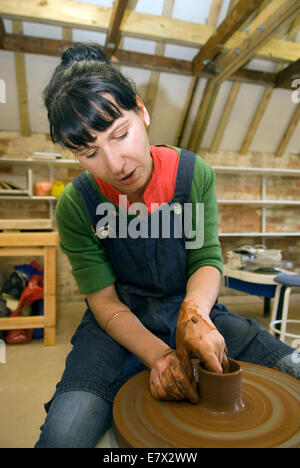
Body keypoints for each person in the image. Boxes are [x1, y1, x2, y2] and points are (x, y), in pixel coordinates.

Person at [35, 43, 299, 448]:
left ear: (141, 111)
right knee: (63, 436)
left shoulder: (193, 176)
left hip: (190, 304)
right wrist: (159, 355)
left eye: (120, 134)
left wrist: (195, 316)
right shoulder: (77, 204)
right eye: (89, 153)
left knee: (291, 368)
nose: (116, 164)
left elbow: (207, 259)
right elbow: (103, 301)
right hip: (117, 324)